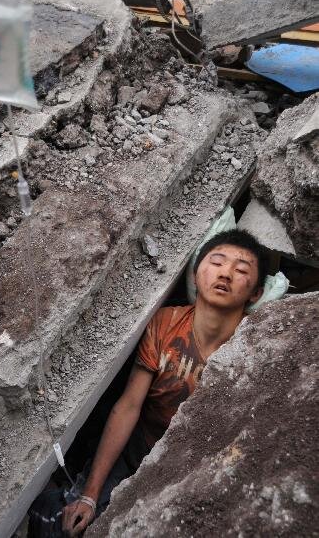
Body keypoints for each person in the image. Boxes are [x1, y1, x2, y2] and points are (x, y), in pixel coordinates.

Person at [28, 229, 267, 538]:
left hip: (186, 469)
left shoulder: (256, 344)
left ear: (256, 294)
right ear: (195, 275)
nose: (226, 273)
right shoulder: (165, 323)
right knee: (68, 522)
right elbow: (129, 406)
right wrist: (89, 494)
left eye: (242, 270)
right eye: (217, 262)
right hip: (135, 451)